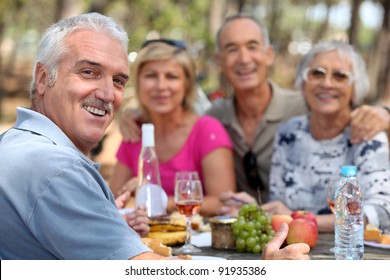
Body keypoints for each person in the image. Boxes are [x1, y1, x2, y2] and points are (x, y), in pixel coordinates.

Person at [0, 12, 310, 260]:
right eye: (88, 72)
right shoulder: (56, 166)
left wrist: (110, 221)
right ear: (43, 78)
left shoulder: (15, 144)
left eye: (119, 80)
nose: (108, 93)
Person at [119, 14, 390, 215]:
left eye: (252, 46)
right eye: (232, 49)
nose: (244, 58)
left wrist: (385, 112)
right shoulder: (216, 117)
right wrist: (132, 114)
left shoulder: (306, 105)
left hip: (305, 227)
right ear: (220, 61)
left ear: (269, 54)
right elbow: (174, 113)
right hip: (254, 228)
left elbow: (350, 113)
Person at [264, 41, 390, 233]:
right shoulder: (288, 134)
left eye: (340, 76)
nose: (327, 83)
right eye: (317, 73)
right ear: (303, 83)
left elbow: (381, 211)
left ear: (354, 89)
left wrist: (305, 221)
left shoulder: (368, 134)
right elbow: (277, 204)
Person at [109, 39, 236, 217]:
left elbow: (224, 202)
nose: (161, 86)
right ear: (138, 83)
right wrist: (128, 194)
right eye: (151, 76)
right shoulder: (136, 130)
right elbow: (111, 200)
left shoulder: (207, 130)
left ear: (187, 84)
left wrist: (158, 199)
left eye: (172, 77)